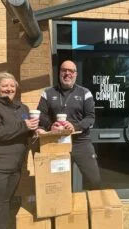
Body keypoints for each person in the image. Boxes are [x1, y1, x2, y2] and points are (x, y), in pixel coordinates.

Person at [0, 72, 39, 229]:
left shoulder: (22, 107)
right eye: (4, 86)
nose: (9, 89)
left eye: (12, 86)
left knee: (4, 206)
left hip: (14, 168)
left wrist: (35, 130)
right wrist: (24, 126)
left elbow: (26, 127)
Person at [37, 60, 102, 190]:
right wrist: (51, 126)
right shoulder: (48, 92)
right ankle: (64, 207)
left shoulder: (85, 93)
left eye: (71, 71)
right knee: (58, 183)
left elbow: (90, 117)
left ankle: (92, 206)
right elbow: (40, 114)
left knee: (95, 181)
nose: (67, 73)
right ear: (59, 73)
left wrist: (75, 127)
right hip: (56, 142)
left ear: (75, 74)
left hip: (81, 142)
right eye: (64, 70)